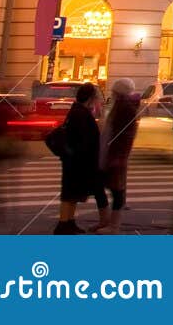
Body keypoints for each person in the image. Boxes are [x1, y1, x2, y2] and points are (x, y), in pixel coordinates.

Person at [54, 82, 103, 234]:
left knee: (73, 193)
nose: (97, 100)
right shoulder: (81, 113)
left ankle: (69, 222)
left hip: (74, 159)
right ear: (90, 98)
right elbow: (84, 139)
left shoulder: (79, 111)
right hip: (77, 160)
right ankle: (63, 224)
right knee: (70, 193)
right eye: (96, 97)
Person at [98, 78, 140, 232]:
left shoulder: (124, 107)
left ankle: (113, 226)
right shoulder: (121, 105)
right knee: (106, 188)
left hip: (115, 155)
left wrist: (117, 155)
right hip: (112, 153)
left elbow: (125, 135)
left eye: (114, 91)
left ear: (119, 92)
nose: (112, 93)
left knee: (116, 190)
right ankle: (107, 222)